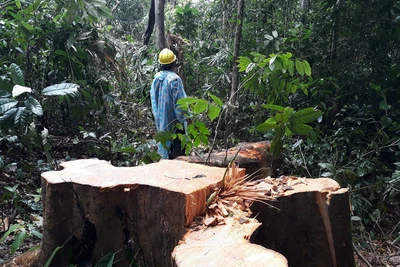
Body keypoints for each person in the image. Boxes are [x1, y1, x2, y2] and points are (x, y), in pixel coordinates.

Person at [150, 48, 191, 159]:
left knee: (165, 150)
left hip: (162, 123)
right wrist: (189, 121)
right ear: (174, 63)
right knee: (178, 157)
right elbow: (181, 105)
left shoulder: (156, 79)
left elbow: (154, 102)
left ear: (160, 64)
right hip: (176, 124)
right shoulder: (174, 80)